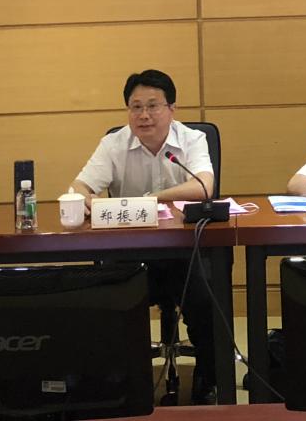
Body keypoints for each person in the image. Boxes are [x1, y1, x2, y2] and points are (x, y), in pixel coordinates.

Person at [70, 69, 217, 404]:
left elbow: (204, 186)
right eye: (136, 107)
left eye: (153, 106)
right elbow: (79, 187)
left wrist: (153, 199)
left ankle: (209, 378)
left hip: (184, 250)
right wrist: (86, 199)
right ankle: (121, 380)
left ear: (171, 109)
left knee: (206, 299)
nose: (144, 115)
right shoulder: (114, 143)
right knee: (104, 300)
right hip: (131, 251)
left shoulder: (192, 140)